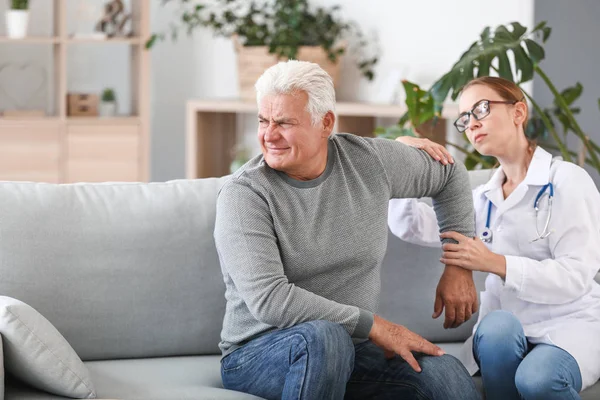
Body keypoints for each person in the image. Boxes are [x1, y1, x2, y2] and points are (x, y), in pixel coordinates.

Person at [214, 60, 482, 400]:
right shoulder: (244, 194)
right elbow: (270, 300)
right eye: (264, 121)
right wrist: (376, 327)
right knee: (326, 339)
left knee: (443, 372)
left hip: (353, 349)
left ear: (325, 123)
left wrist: (459, 266)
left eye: (283, 122)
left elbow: (449, 174)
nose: (269, 135)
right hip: (259, 353)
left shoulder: (367, 162)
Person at [389, 76, 600, 400]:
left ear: (519, 112)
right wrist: (401, 155)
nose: (471, 124)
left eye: (481, 109)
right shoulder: (482, 197)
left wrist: (495, 263)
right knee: (498, 326)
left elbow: (576, 276)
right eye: (464, 118)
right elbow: (413, 226)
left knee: (536, 379)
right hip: (506, 331)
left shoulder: (568, 180)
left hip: (569, 324)